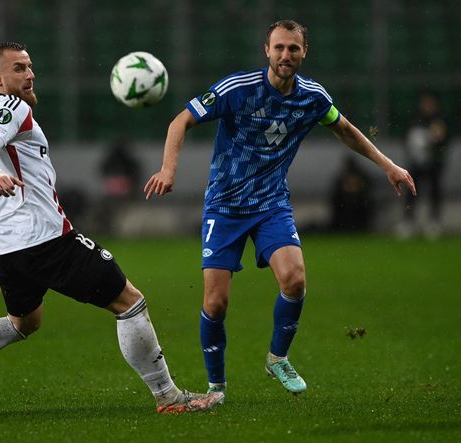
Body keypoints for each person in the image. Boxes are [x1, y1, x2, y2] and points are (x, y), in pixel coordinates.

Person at [0, 42, 223, 416]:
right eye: (19, 68)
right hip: (46, 239)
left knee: (24, 322)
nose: (30, 75)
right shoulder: (11, 107)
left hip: (10, 249)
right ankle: (168, 398)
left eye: (29, 66)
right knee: (130, 302)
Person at [144, 20, 416, 399]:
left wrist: (388, 165)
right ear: (266, 51)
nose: (285, 55)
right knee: (215, 302)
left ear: (304, 52)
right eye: (279, 48)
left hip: (272, 204)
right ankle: (216, 387)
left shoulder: (312, 97)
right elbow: (181, 120)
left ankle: (277, 358)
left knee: (295, 279)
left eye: (293, 48)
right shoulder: (236, 89)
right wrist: (168, 169)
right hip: (224, 207)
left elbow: (345, 129)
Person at [400, 91, 448, 238]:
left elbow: (443, 139)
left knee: (434, 191)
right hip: (416, 161)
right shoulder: (416, 118)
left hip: (434, 162)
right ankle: (408, 222)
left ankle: (434, 222)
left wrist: (436, 139)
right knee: (412, 191)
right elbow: (407, 138)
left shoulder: (440, 119)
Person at [329, 155, 374, 232]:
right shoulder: (341, 178)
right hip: (345, 206)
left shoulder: (361, 176)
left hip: (359, 205)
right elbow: (335, 195)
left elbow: (368, 189)